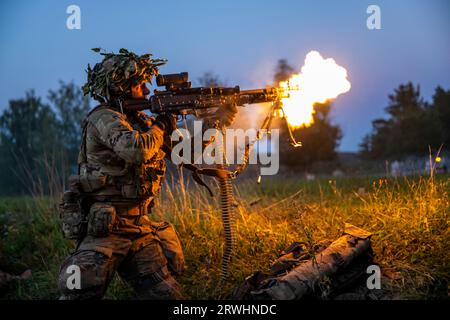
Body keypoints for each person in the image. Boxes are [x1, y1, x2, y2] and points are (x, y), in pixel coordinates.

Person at [58, 48, 236, 299]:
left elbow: (183, 153)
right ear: (120, 87)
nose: (145, 90)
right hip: (105, 232)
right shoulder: (104, 118)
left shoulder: (141, 121)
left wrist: (214, 123)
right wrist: (162, 124)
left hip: (138, 229)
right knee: (78, 290)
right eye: (139, 84)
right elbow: (136, 150)